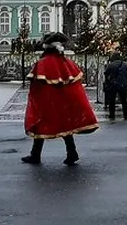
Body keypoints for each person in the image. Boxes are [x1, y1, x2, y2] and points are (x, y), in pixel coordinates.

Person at [22, 32, 99, 165]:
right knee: (66, 127)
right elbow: (75, 87)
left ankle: (35, 155)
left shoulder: (43, 63)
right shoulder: (66, 62)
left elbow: (37, 87)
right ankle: (71, 153)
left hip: (47, 103)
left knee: (40, 126)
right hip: (64, 102)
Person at [102, 52, 127, 120]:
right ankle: (125, 115)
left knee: (112, 101)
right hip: (123, 85)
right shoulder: (125, 65)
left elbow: (106, 73)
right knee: (124, 101)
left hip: (113, 85)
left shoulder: (111, 65)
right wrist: (125, 80)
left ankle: (112, 115)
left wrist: (109, 80)